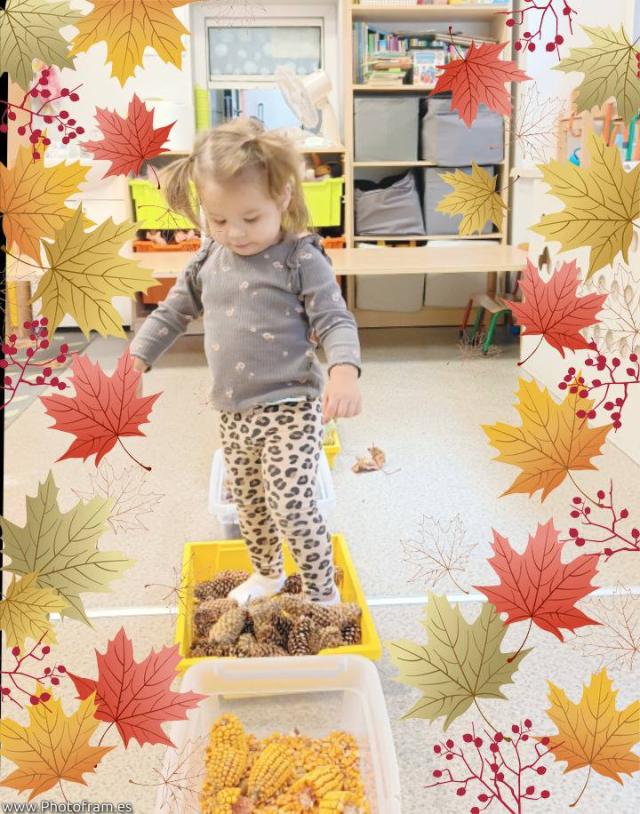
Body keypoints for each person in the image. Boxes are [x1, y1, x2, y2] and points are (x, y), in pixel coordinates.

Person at [130, 118, 362, 604]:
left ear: (283, 197)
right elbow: (171, 312)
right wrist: (136, 359)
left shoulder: (300, 257)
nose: (234, 233)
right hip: (233, 411)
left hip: (291, 406)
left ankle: (322, 594)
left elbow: (334, 318)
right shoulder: (207, 257)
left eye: (251, 219)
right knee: (250, 505)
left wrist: (343, 370)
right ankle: (268, 573)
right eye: (218, 220)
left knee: (292, 505)